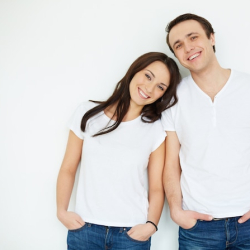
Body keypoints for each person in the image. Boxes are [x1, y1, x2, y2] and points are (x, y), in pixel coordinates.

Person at [162, 13, 250, 250]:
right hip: (198, 228)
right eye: (178, 45)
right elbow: (170, 162)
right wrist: (176, 210)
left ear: (211, 38)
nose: (188, 48)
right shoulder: (173, 99)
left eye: (193, 37)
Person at [56, 52, 181, 250]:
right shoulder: (88, 114)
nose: (149, 88)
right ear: (134, 71)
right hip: (85, 230)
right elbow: (68, 168)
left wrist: (151, 225)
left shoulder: (156, 129)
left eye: (160, 87)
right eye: (148, 76)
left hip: (131, 235)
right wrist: (62, 211)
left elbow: (156, 187)